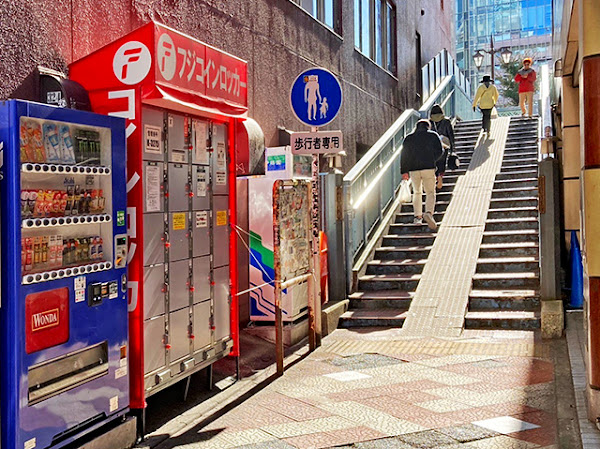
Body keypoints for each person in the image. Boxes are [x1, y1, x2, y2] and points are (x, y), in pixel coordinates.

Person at [400, 119, 443, 230]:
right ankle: (428, 212)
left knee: (417, 192)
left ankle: (417, 217)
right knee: (430, 192)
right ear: (428, 126)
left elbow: (404, 155)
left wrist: (404, 171)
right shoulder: (433, 136)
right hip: (429, 167)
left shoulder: (409, 138)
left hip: (414, 169)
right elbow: (440, 151)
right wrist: (433, 159)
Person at [429, 104, 455, 190]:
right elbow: (451, 135)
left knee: (434, 163)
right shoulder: (446, 121)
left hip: (433, 147)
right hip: (444, 145)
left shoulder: (430, 122)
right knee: (442, 162)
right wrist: (452, 149)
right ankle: (440, 176)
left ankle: (435, 177)